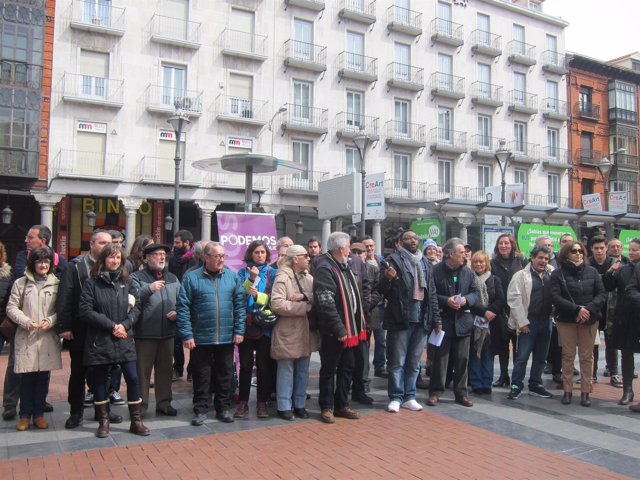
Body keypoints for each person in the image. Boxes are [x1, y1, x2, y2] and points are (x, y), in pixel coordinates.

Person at [78, 243, 149, 438]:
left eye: (118, 258)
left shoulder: (126, 281)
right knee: (100, 381)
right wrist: (111, 325)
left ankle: (136, 421)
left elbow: (137, 307)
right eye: (111, 257)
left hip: (124, 338)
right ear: (103, 260)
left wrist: (125, 325)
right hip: (101, 339)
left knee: (133, 378)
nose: (115, 261)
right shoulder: (92, 282)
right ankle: (104, 421)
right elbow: (85, 310)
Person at [56, 229, 120, 429]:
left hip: (104, 330)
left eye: (108, 243)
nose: (105, 247)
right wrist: (65, 326)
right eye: (101, 243)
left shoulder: (113, 267)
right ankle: (76, 412)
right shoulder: (75, 267)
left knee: (103, 373)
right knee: (78, 374)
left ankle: (103, 411)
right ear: (91, 244)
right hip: (81, 329)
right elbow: (65, 297)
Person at [177, 242, 246, 426]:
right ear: (206, 258)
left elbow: (240, 306)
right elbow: (183, 308)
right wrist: (187, 334)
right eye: (217, 256)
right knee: (202, 375)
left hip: (226, 336)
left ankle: (223, 408)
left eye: (223, 256)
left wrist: (239, 330)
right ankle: (200, 409)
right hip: (200, 337)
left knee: (225, 374)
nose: (221, 259)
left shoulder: (232, 277)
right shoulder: (191, 278)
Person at [4, 225, 66, 419]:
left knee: (42, 371)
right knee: (18, 366)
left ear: (43, 240)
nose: (26, 240)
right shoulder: (23, 256)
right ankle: (11, 404)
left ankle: (38, 406)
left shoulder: (59, 262)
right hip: (25, 324)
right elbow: (18, 286)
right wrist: (25, 320)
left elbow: (61, 295)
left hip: (46, 328)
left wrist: (52, 320)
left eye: (30, 237)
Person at [379, 230, 440, 413]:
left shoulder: (424, 262)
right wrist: (387, 278)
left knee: (414, 361)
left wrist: (436, 318)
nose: (413, 240)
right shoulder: (393, 260)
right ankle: (396, 396)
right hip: (401, 318)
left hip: (422, 318)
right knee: (397, 361)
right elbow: (381, 289)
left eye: (415, 237)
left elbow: (433, 293)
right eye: (408, 238)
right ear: (400, 243)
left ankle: (409, 396)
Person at [313, 232, 366, 424]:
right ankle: (327, 407)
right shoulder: (325, 268)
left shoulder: (345, 266)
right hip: (334, 330)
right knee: (329, 368)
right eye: (348, 247)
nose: (350, 251)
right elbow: (325, 302)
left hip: (350, 328)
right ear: (340, 249)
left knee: (348, 367)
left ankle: (342, 404)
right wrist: (339, 328)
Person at [551, 241, 606, 407]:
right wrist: (576, 309)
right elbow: (555, 296)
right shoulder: (558, 273)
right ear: (566, 253)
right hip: (567, 319)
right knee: (567, 355)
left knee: (587, 356)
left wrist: (587, 309)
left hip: (589, 320)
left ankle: (585, 391)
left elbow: (602, 294)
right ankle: (567, 390)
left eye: (580, 251)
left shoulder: (592, 271)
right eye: (574, 251)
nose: (578, 254)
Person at [428, 238, 480, 408]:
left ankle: (461, 393)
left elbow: (476, 293)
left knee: (462, 359)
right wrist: (446, 301)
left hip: (463, 323)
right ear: (450, 254)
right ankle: (436, 391)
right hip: (443, 322)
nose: (464, 256)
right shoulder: (436, 271)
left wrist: (466, 300)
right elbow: (431, 296)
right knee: (440, 360)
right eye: (461, 253)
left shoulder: (468, 272)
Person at [130, 243, 180, 416]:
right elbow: (131, 298)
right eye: (157, 254)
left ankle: (164, 403)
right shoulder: (137, 277)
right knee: (142, 372)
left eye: (163, 254)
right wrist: (148, 289)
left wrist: (178, 312)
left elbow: (182, 300)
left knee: (165, 370)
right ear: (147, 258)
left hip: (168, 333)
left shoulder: (172, 277)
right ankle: (141, 405)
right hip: (145, 333)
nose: (161, 257)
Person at [270, 245, 317, 420]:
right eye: (305, 255)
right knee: (286, 369)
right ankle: (284, 405)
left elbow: (316, 296)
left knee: (303, 369)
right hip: (287, 330)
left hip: (305, 330)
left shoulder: (309, 277)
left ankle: (300, 404)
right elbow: (278, 304)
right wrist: (305, 306)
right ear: (295, 259)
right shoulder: (282, 277)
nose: (309, 258)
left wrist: (304, 297)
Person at [235, 240, 276, 419]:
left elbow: (275, 298)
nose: (260, 255)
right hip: (246, 325)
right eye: (256, 252)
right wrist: (250, 279)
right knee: (244, 366)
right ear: (250, 254)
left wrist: (258, 296)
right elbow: (238, 296)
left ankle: (262, 403)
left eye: (262, 252)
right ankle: (243, 403)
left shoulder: (272, 273)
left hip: (264, 327)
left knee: (263, 366)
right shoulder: (242, 273)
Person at [506, 246, 554, 400]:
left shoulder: (551, 274)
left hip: (546, 321)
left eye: (546, 259)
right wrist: (522, 322)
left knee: (541, 357)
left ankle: (536, 384)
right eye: (540, 257)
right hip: (528, 321)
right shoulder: (520, 276)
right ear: (532, 258)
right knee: (522, 357)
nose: (543, 261)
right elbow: (514, 299)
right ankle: (516, 385)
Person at [603, 238, 640, 406]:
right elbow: (609, 286)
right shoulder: (623, 269)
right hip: (625, 317)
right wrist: (610, 272)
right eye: (630, 249)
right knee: (626, 354)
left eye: (635, 250)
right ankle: (627, 390)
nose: (631, 252)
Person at [490, 233, 525, 388]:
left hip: (518, 309)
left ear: (512, 245)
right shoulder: (493, 263)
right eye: (500, 243)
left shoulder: (521, 261)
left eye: (506, 243)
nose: (503, 246)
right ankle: (504, 375)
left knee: (519, 347)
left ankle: (517, 378)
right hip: (501, 309)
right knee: (503, 345)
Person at [468, 251, 505, 395]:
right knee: (474, 353)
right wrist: (482, 312)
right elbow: (470, 299)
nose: (478, 264)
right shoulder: (469, 279)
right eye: (476, 262)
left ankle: (486, 383)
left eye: (481, 261)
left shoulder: (495, 280)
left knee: (488, 354)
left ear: (487, 263)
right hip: (473, 322)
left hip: (491, 323)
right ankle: (476, 383)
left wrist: (489, 313)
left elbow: (500, 299)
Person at [587, 235, 621, 387]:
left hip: (611, 308)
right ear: (591, 249)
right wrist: (607, 273)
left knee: (611, 342)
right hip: (594, 308)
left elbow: (614, 285)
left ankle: (614, 373)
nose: (599, 251)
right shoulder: (587, 264)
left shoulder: (615, 263)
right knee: (592, 343)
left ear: (606, 248)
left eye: (602, 248)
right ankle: (591, 374)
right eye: (596, 248)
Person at [169, 229, 197, 381]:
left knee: (192, 338)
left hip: (190, 301)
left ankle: (192, 369)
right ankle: (177, 367)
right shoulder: (173, 259)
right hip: (176, 299)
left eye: (177, 242)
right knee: (176, 338)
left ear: (187, 243)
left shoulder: (194, 259)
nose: (174, 245)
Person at [362, 236, 387, 378]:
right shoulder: (361, 263)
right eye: (367, 246)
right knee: (365, 339)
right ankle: (364, 370)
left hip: (380, 306)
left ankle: (379, 365)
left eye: (372, 245)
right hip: (367, 306)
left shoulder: (381, 262)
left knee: (381, 339)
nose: (370, 248)